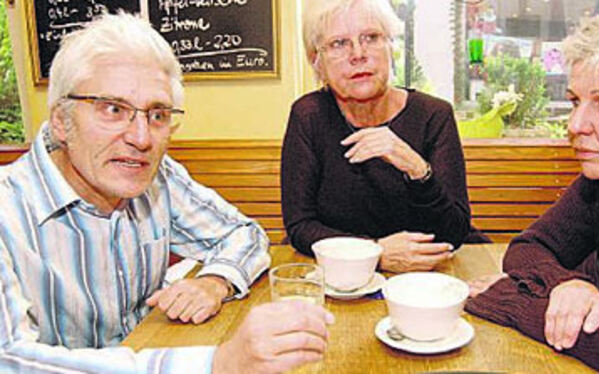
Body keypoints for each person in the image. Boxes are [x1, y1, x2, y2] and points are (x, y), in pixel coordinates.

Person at [0, 13, 333, 373]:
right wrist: (215, 364)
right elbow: (10, 360)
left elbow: (245, 234)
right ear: (62, 121)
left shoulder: (156, 178)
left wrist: (215, 281)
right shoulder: (9, 209)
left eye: (157, 115)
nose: (141, 139)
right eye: (113, 110)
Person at [465, 2, 599, 373]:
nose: (575, 124)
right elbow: (527, 248)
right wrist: (569, 285)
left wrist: (506, 296)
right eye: (575, 101)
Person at [281, 0, 472, 273]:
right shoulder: (308, 115)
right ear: (316, 61)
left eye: (370, 38)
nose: (358, 54)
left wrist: (416, 168)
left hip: (424, 279)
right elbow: (300, 226)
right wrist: (374, 252)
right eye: (338, 43)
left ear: (390, 47)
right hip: (339, 278)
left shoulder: (434, 115)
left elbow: (454, 232)